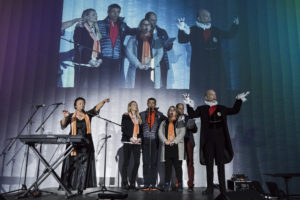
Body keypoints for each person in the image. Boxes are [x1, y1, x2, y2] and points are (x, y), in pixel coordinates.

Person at [183, 90, 249, 195]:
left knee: (220, 165)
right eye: (211, 94)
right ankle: (210, 188)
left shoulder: (221, 108)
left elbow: (234, 110)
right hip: (208, 140)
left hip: (220, 140)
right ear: (206, 96)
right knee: (209, 165)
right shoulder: (202, 108)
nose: (214, 96)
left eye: (215, 94)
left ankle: (223, 189)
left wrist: (238, 100)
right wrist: (188, 103)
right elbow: (192, 114)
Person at [177, 9, 239, 90]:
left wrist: (235, 25)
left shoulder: (216, 30)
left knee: (216, 90)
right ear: (199, 18)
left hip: (215, 67)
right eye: (205, 16)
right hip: (199, 68)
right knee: (199, 91)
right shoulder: (192, 30)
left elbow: (229, 35)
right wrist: (181, 29)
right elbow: (182, 40)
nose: (208, 18)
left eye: (209, 16)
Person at [60, 97, 110, 195]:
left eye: (83, 103)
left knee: (84, 166)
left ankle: (80, 188)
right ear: (75, 106)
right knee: (72, 165)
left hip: (86, 145)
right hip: (73, 144)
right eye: (79, 103)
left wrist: (103, 101)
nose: (81, 105)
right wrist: (65, 117)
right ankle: (68, 187)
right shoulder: (71, 116)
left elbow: (96, 108)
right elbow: (63, 125)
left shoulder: (88, 115)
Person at [97, 4, 137, 88]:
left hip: (117, 58)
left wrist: (143, 28)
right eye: (113, 11)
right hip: (104, 58)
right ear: (108, 12)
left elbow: (132, 31)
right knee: (103, 83)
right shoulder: (100, 24)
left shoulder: (122, 25)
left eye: (118, 12)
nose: (116, 14)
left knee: (115, 83)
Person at [126, 19, 163, 89]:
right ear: (140, 26)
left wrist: (150, 64)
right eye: (144, 24)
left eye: (148, 25)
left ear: (151, 27)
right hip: (137, 68)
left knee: (150, 91)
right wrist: (138, 64)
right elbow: (129, 52)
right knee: (136, 91)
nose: (146, 26)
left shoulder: (156, 39)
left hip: (151, 69)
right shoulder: (133, 39)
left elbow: (160, 53)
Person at [139, 98, 166, 190]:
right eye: (149, 103)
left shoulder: (160, 115)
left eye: (153, 103)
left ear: (155, 104)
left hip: (155, 141)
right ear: (147, 104)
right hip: (145, 140)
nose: (151, 104)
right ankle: (146, 183)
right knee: (146, 163)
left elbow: (168, 122)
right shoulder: (142, 114)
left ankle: (153, 183)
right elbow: (136, 124)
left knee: (154, 163)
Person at [158, 106, 185, 192]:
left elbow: (182, 132)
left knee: (178, 167)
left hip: (176, 147)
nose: (171, 112)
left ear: (176, 112)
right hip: (167, 147)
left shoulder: (180, 121)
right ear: (168, 112)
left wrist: (175, 141)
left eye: (173, 110)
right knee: (167, 167)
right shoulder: (164, 122)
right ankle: (166, 184)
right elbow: (160, 133)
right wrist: (165, 141)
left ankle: (180, 184)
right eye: (170, 110)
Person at [73, 8, 102, 88]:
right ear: (86, 17)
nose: (96, 16)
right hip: (83, 64)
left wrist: (99, 59)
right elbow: (79, 46)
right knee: (81, 90)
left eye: (96, 14)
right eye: (93, 14)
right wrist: (88, 60)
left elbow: (99, 46)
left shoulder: (96, 30)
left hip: (94, 64)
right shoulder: (80, 28)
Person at [145, 12, 173, 89]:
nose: (154, 22)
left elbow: (169, 47)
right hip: (148, 61)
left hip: (162, 62)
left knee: (162, 86)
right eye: (152, 20)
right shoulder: (142, 31)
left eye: (155, 20)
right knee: (148, 85)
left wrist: (168, 44)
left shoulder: (162, 31)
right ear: (146, 20)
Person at [121, 101, 143, 190]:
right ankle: (125, 182)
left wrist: (140, 138)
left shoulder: (139, 117)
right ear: (130, 106)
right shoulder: (126, 115)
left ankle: (133, 182)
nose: (136, 106)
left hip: (137, 142)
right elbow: (124, 128)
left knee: (137, 162)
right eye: (134, 104)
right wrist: (130, 138)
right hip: (128, 141)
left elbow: (141, 131)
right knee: (126, 162)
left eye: (136, 105)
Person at [176, 103, 198, 192]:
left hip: (188, 140)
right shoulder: (174, 118)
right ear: (177, 109)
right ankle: (178, 184)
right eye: (180, 108)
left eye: (182, 108)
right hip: (179, 142)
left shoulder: (189, 117)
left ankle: (191, 185)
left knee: (190, 162)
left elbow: (195, 130)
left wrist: (192, 127)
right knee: (178, 163)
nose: (181, 110)